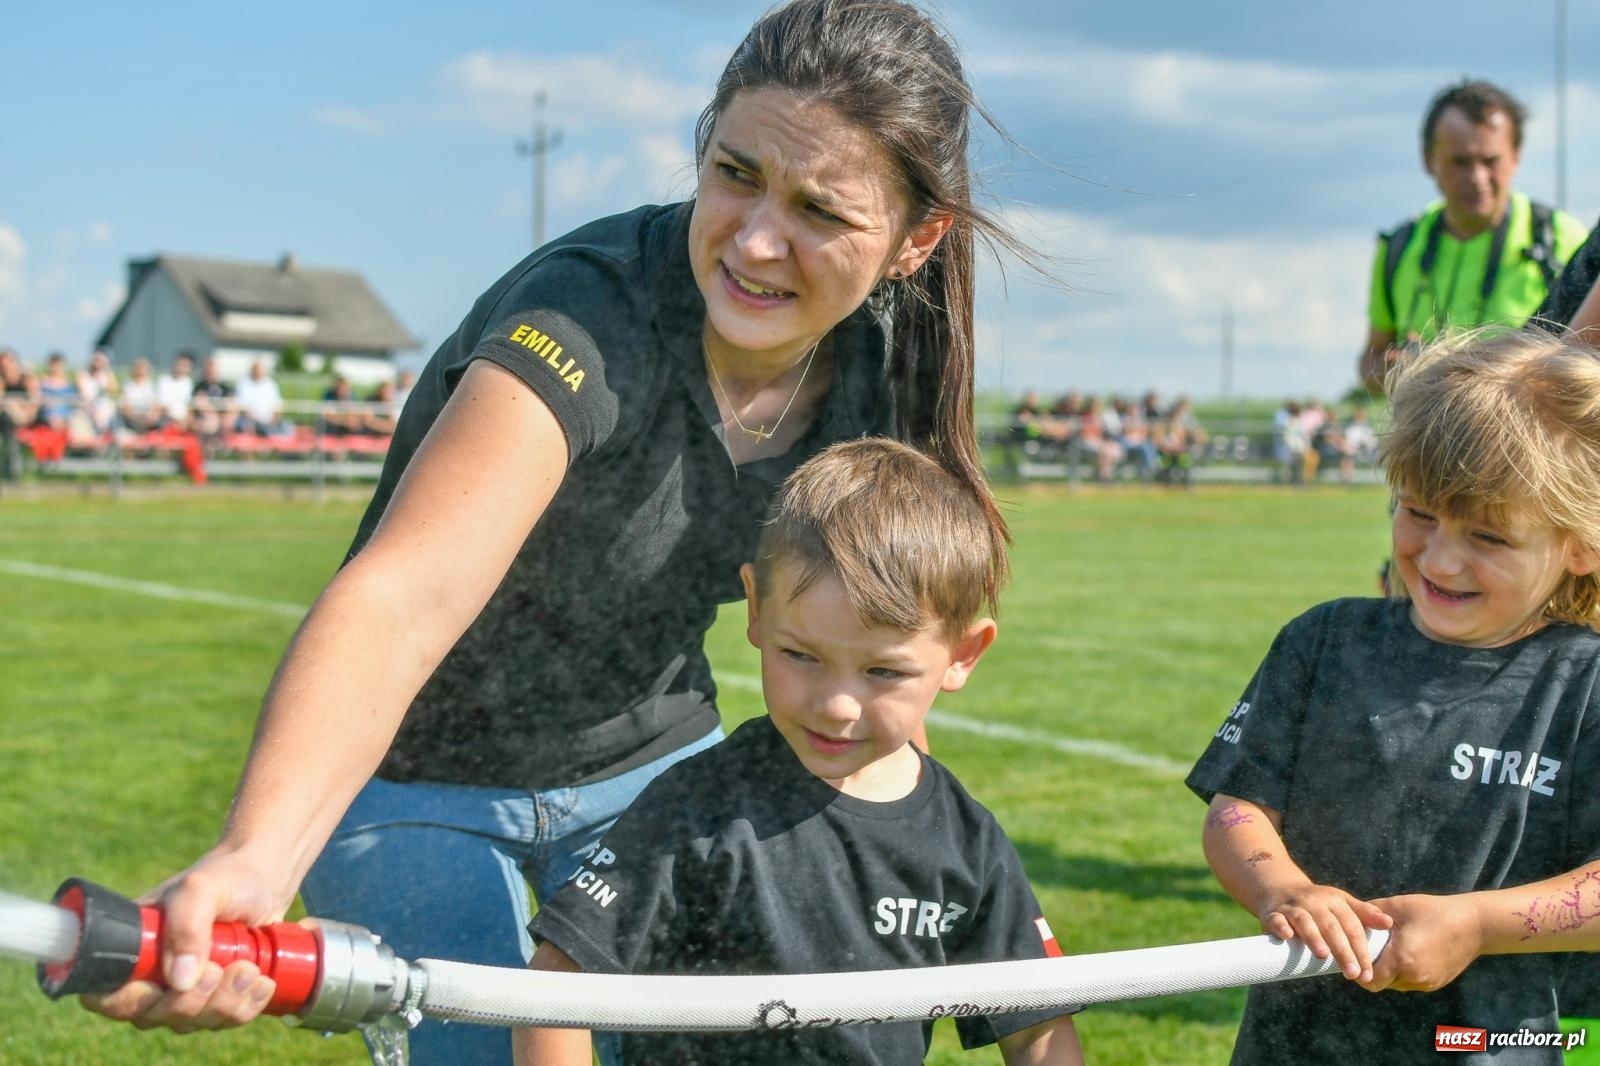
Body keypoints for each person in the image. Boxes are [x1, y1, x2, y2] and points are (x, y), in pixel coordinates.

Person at [84, 4, 1042, 1064]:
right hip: (420, 782)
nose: (756, 240)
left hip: (656, 767)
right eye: (735, 174)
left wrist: (892, 846)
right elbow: (404, 600)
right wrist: (256, 861)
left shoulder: (884, 364)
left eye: (820, 209)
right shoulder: (587, 313)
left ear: (916, 239)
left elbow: (883, 628)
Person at [517, 438, 1082, 1066]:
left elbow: (1037, 1028)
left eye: (883, 672)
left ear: (962, 655)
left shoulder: (964, 839)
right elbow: (555, 988)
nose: (837, 706)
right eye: (801, 656)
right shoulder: (696, 807)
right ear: (757, 610)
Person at [1188, 328, 1600, 1063]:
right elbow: (1237, 809)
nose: (1439, 559)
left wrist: (1477, 924)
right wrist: (1283, 890)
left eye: (1489, 538)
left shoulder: (1586, 685)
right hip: (1296, 1042)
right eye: (1418, 513)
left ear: (1581, 544)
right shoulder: (1323, 642)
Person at [1358, 80, 1587, 393]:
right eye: (1460, 162)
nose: (1477, 178)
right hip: (1423, 423)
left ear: (1515, 157)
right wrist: (1400, 369)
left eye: (1490, 161)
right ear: (1428, 160)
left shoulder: (1564, 240)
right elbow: (1370, 361)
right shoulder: (1400, 246)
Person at [232, 360, 287, 436]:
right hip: (250, 421)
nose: (259, 373)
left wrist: (274, 420)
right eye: (257, 370)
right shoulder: (244, 384)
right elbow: (241, 405)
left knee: (287, 428)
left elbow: (278, 406)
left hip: (270, 422)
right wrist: (252, 419)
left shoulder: (271, 384)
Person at [154, 354, 195, 430]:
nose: (182, 368)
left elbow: (188, 406)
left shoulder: (188, 383)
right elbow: (159, 404)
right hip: (165, 417)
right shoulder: (163, 380)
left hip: (182, 421)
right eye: (181, 364)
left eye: (186, 366)